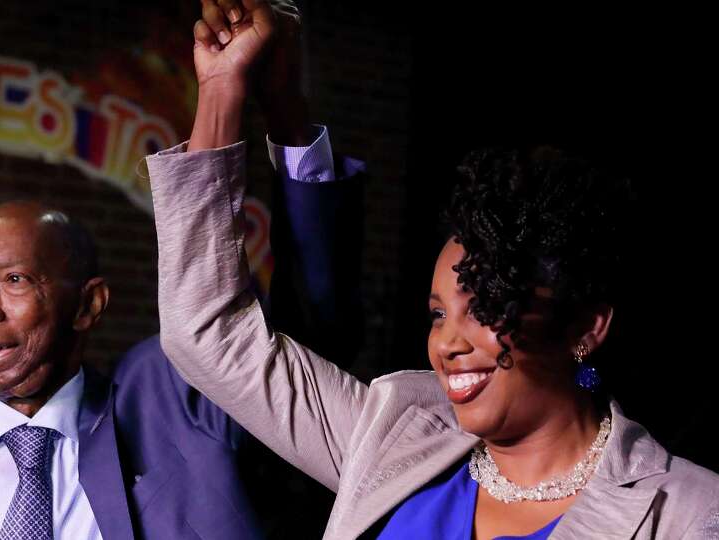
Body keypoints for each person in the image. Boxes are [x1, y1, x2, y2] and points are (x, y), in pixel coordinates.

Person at [145, 1, 719, 538]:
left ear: (586, 327)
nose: (446, 342)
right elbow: (207, 333)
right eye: (438, 313)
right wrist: (222, 88)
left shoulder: (687, 511)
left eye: (486, 305)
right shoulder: (392, 437)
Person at [0, 4, 364, 538]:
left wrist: (275, 108)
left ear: (90, 304)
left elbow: (309, 332)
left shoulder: (173, 404)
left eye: (16, 280)